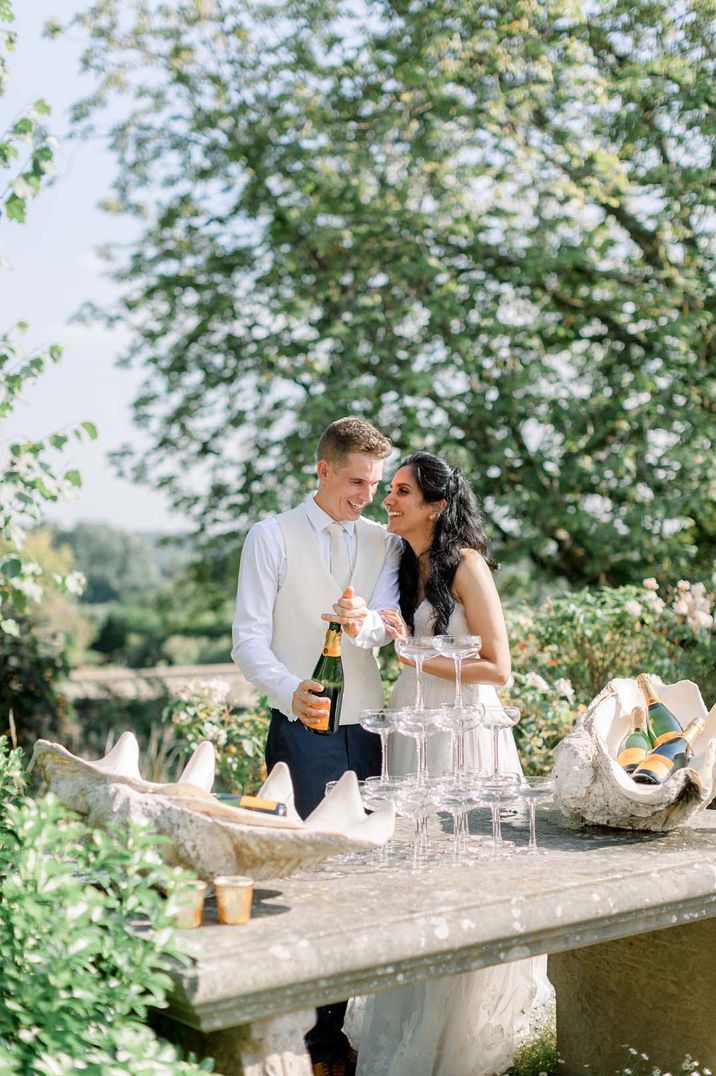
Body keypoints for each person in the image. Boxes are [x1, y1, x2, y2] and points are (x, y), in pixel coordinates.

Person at [350, 451, 550, 1076]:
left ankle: (459, 1045)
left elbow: (498, 666)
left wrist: (414, 658)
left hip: (464, 727)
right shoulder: (403, 564)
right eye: (391, 489)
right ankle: (410, 1031)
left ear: (436, 505)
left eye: (402, 491)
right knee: (413, 870)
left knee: (464, 867)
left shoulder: (467, 565)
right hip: (413, 720)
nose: (390, 499)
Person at [232, 416, 401, 1076]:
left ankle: (347, 1030)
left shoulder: (383, 542)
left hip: (371, 728)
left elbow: (386, 629)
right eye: (358, 482)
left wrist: (365, 627)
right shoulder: (269, 537)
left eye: (376, 484)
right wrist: (287, 689)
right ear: (324, 470)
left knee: (366, 873)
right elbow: (247, 639)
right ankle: (307, 1041)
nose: (368, 495)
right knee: (307, 874)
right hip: (303, 731)